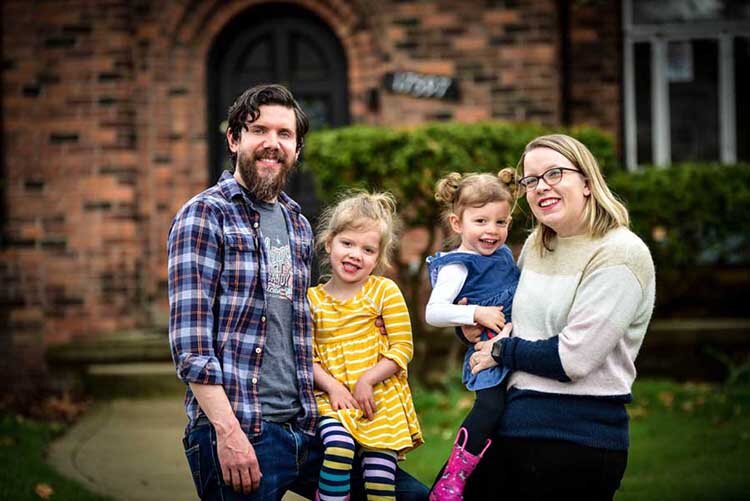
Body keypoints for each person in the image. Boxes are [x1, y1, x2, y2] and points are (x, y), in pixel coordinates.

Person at [167, 83, 428, 501]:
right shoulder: (203, 216)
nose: (272, 144)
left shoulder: (297, 223)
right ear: (235, 139)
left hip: (308, 429)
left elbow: (300, 329)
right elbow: (190, 346)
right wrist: (228, 433)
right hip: (243, 430)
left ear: (297, 148)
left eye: (284, 134)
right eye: (258, 130)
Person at [465, 134, 656, 500]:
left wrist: (501, 351)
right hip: (511, 426)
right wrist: (474, 327)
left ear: (586, 181)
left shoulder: (620, 253)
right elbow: (512, 326)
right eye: (531, 180)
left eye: (554, 174)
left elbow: (574, 358)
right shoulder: (538, 245)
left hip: (576, 438)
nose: (541, 187)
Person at [309, 191, 424, 501]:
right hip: (334, 400)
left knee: (380, 483)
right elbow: (307, 357)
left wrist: (368, 378)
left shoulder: (384, 291)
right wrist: (332, 387)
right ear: (329, 242)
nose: (355, 255)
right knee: (338, 446)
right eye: (347, 243)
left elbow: (402, 347)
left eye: (368, 249)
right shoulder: (312, 300)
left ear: (378, 257)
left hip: (378, 401)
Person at [424, 172, 517, 500]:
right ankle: (453, 477)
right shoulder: (457, 266)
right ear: (457, 223)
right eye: (481, 220)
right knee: (490, 408)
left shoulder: (504, 256)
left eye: (501, 222)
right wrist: (474, 314)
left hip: (513, 347)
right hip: (487, 355)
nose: (492, 231)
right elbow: (433, 312)